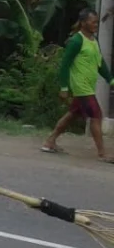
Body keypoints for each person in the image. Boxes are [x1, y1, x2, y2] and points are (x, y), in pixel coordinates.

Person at [42, 8, 114, 161]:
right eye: (92, 21)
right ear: (83, 23)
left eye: (96, 21)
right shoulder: (77, 41)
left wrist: (111, 80)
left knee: (72, 115)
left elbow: (100, 64)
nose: (95, 24)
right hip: (81, 87)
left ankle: (50, 142)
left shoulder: (94, 41)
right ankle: (102, 154)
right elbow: (65, 65)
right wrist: (64, 87)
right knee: (96, 115)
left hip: (88, 86)